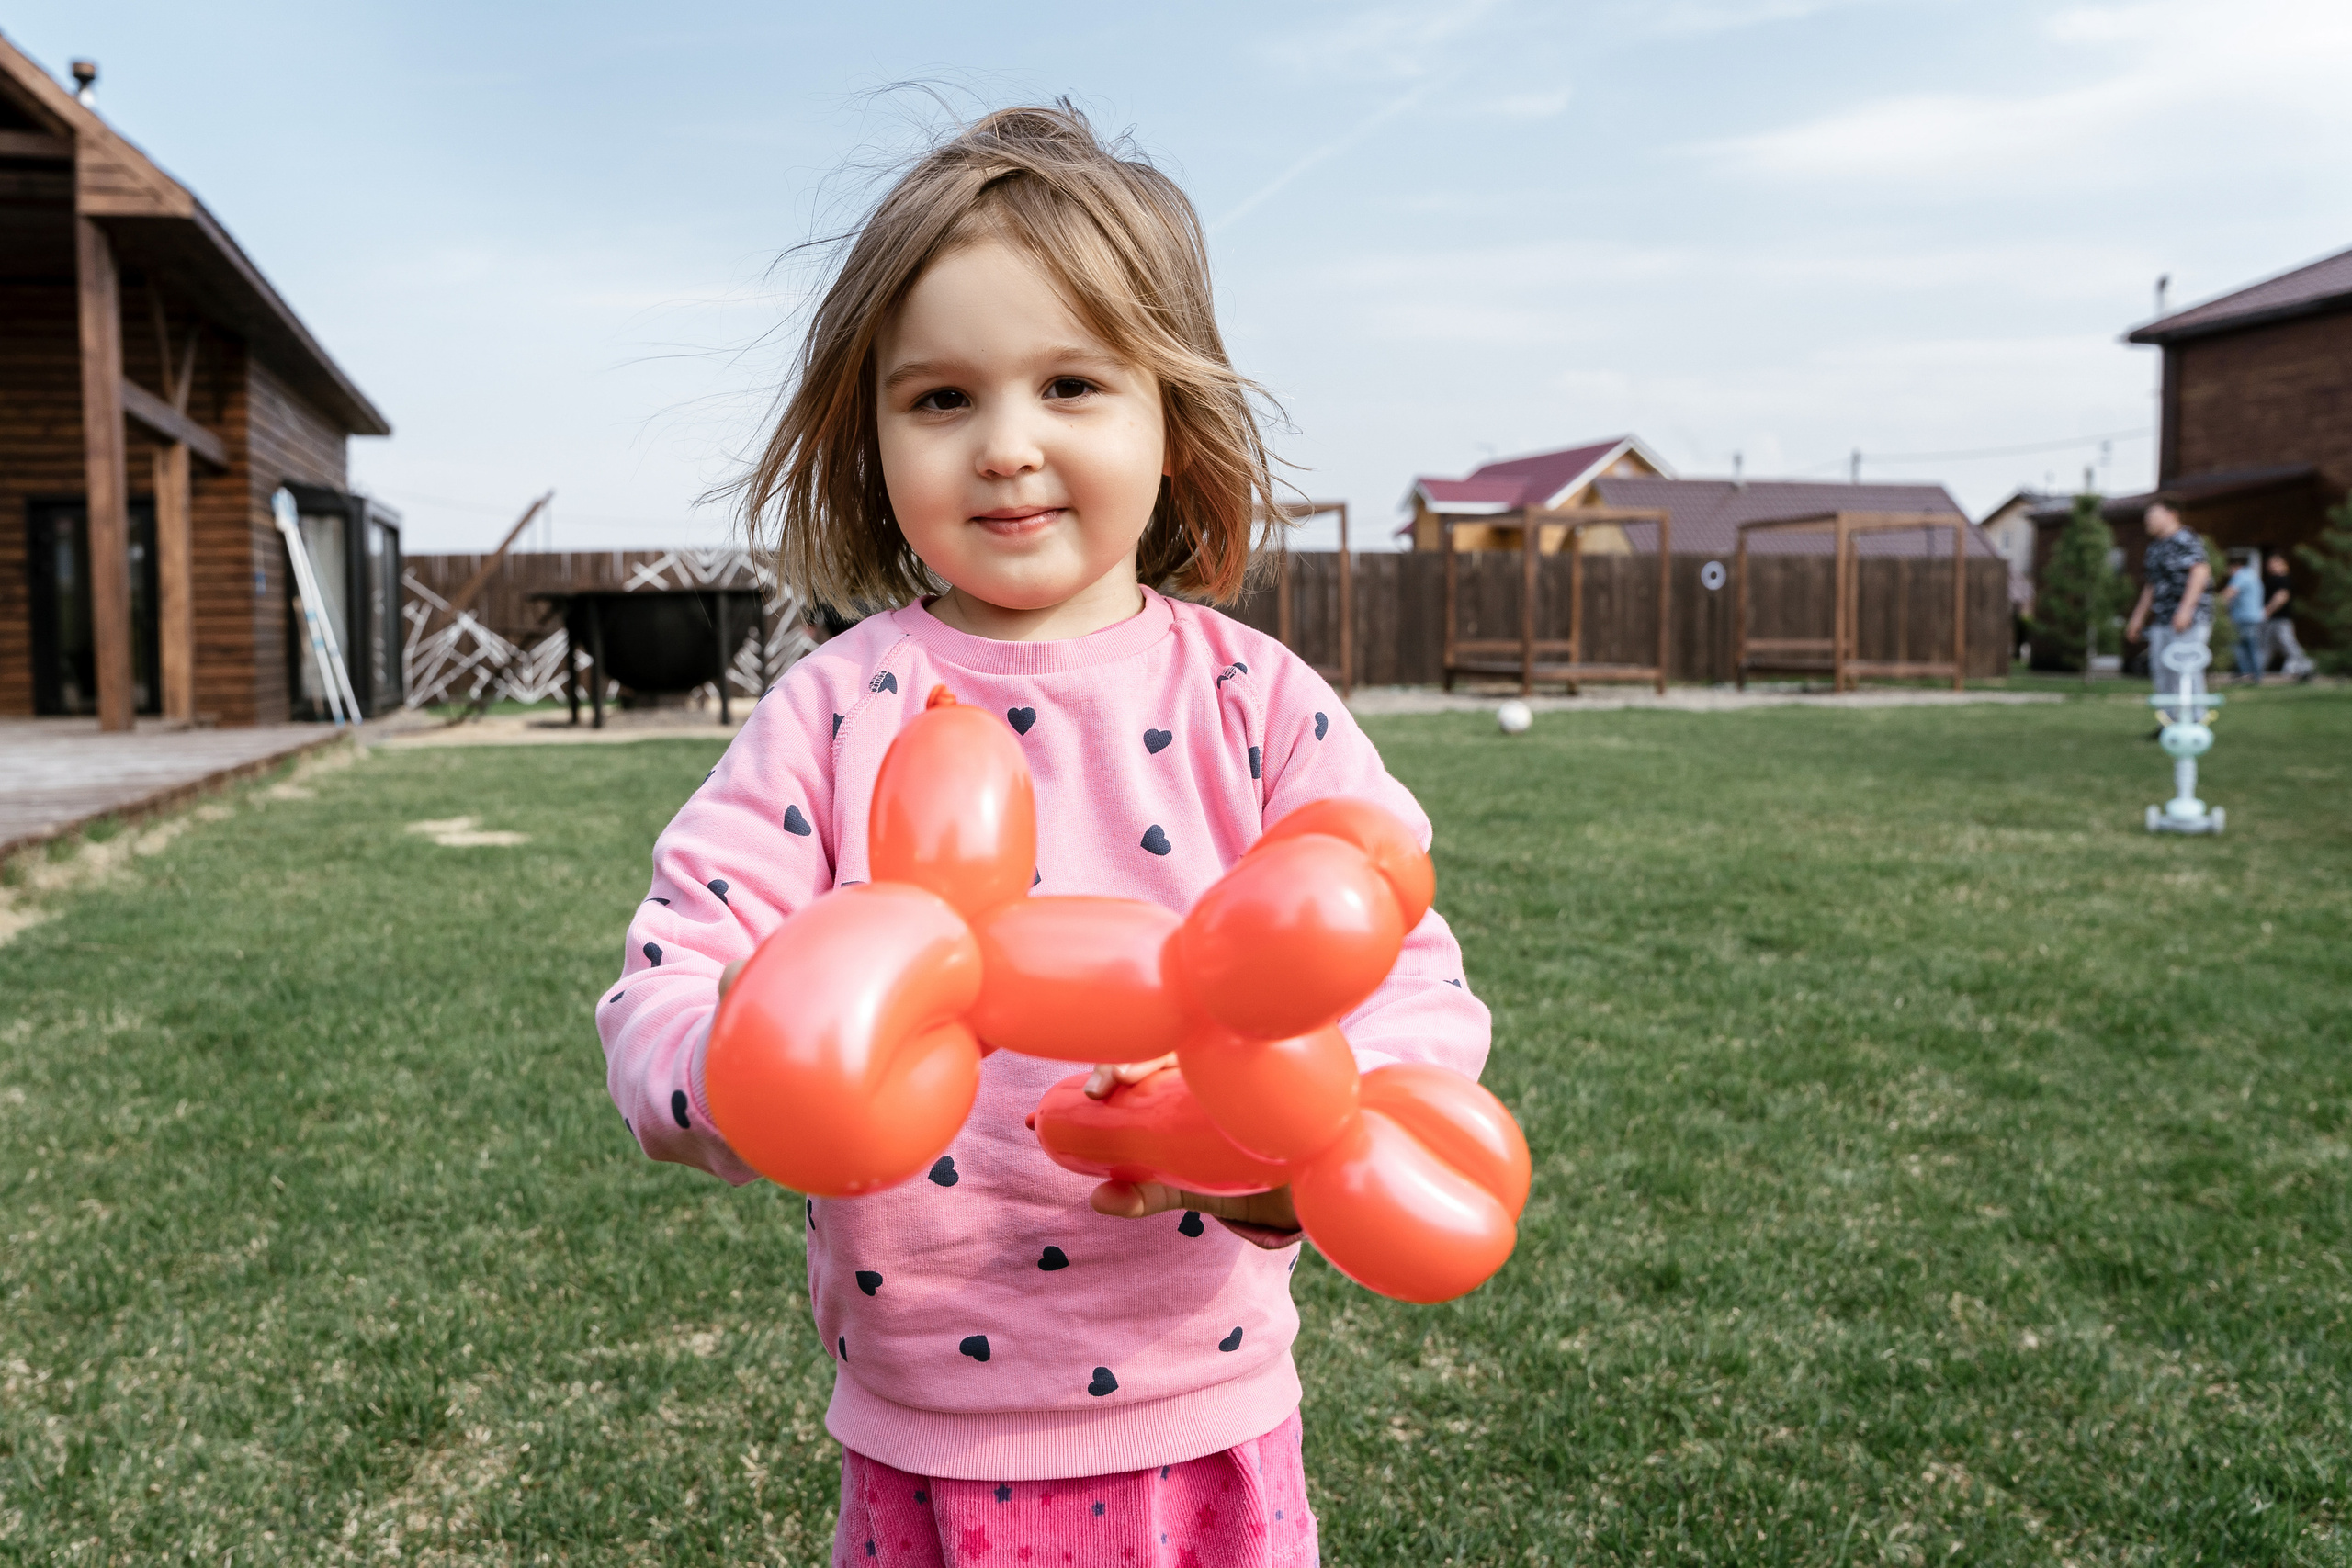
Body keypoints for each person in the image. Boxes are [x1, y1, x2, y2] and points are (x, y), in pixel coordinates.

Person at [596, 106, 1487, 1568]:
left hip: (1203, 1408)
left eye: (1071, 382)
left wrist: (1317, 1137)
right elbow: (672, 970)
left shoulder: (1257, 705)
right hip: (926, 1416)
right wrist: (731, 1076)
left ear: (1171, 416)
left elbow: (1400, 972)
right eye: (940, 399)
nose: (1007, 447)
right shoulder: (833, 711)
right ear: (867, 433)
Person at [2124, 498, 2211, 721]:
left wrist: (2185, 610)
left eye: (2153, 515)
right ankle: (2170, 721)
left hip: (2189, 618)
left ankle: (2194, 721)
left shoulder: (2185, 539)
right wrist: (2137, 618)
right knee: (2161, 668)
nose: (2148, 521)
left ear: (2172, 514)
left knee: (2185, 668)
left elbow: (2200, 572)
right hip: (2162, 619)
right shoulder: (2155, 547)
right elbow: (2151, 585)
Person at [2262, 549, 2317, 680]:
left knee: (2288, 645)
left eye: (2274, 563)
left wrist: (2268, 610)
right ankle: (2255, 671)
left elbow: (2282, 596)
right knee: (2264, 646)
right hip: (2272, 620)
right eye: (2269, 564)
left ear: (2283, 563)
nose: (2271, 566)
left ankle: (2305, 667)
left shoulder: (2283, 579)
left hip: (2281, 619)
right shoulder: (2273, 579)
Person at [2220, 549, 2267, 682]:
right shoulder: (2252, 575)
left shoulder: (2240, 575)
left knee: (2240, 646)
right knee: (2252, 646)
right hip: (2254, 616)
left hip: (2244, 617)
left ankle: (2247, 673)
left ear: (2234, 566)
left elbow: (2230, 592)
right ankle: (2255, 674)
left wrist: (2216, 603)